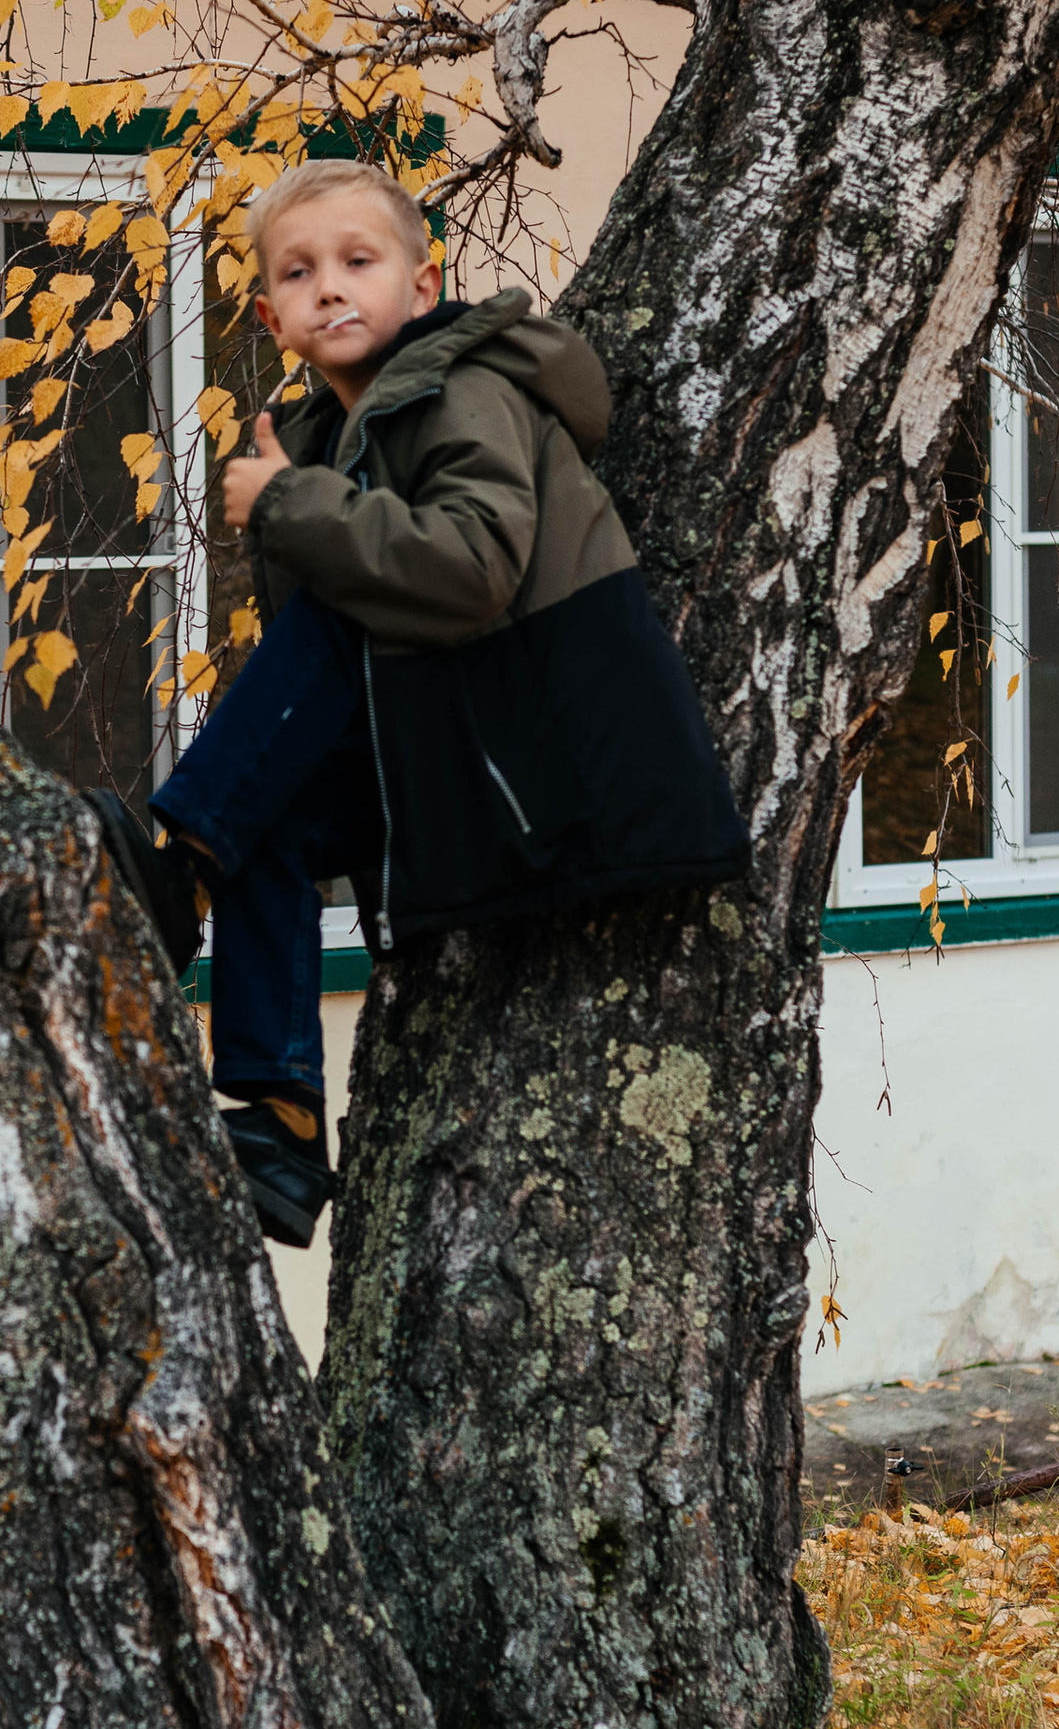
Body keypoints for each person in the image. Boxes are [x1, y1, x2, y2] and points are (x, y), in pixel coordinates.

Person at [94, 159, 748, 1250]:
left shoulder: (461, 388)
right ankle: (280, 1117)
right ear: (269, 316)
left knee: (318, 636)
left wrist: (294, 504)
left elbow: (472, 568)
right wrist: (306, 494)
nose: (330, 288)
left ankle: (181, 864)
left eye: (359, 260)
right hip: (454, 752)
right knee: (276, 821)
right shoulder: (324, 438)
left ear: (421, 276)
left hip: (551, 766)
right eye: (299, 274)